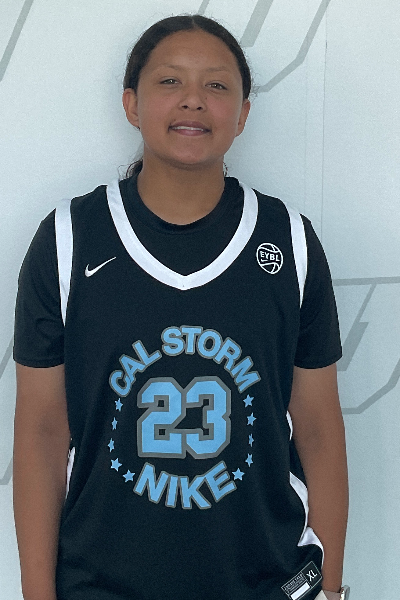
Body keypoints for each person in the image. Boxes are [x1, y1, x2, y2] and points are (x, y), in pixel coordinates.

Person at [13, 14, 349, 600]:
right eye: (170, 81)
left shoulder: (289, 241)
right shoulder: (69, 239)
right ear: (131, 103)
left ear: (243, 113)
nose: (193, 100)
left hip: (267, 582)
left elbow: (319, 427)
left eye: (217, 85)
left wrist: (330, 587)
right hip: (102, 583)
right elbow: (42, 431)